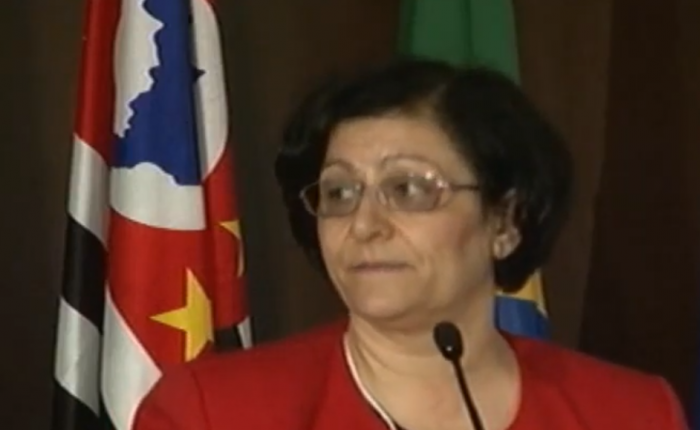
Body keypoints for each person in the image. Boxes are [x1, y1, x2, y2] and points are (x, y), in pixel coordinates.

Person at [133, 58, 688, 430]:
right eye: (340, 192)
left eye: (408, 189)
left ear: (505, 222)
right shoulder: (212, 414)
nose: (365, 224)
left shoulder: (632, 414)